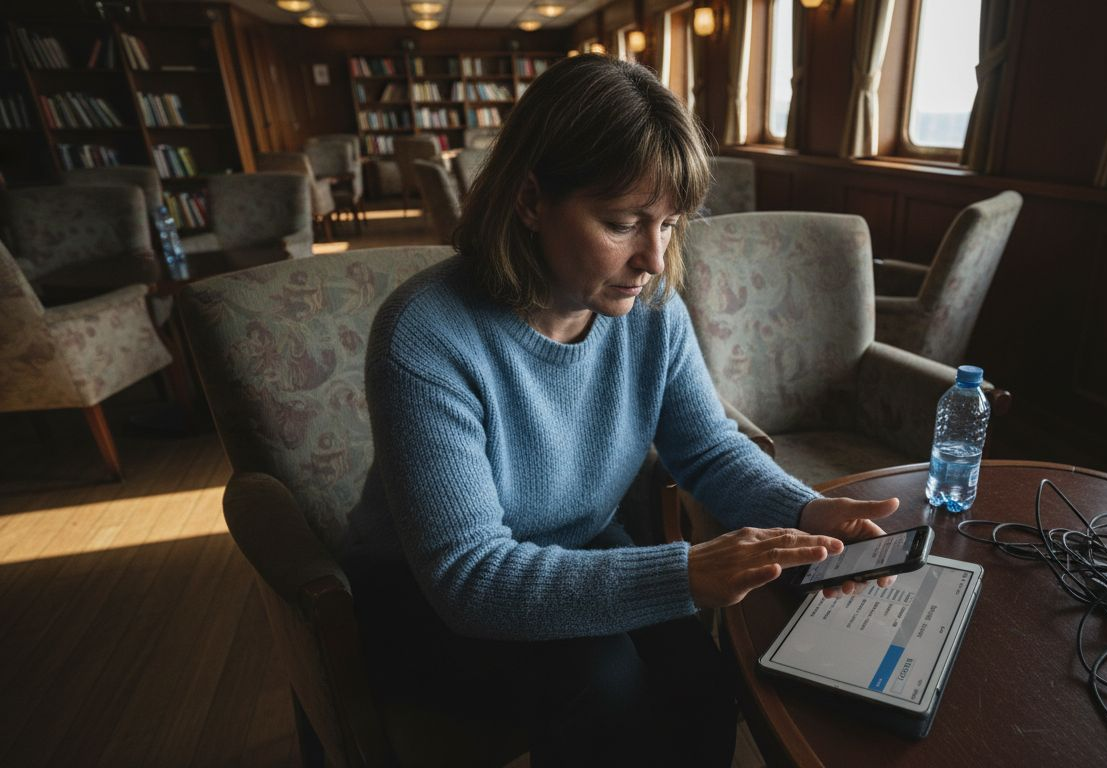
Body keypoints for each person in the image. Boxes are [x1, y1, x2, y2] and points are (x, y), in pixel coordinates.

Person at [343, 54, 901, 767]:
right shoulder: (425, 335)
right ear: (530, 200)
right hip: (425, 597)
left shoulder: (651, 309)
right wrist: (686, 574)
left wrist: (807, 509)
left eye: (669, 224)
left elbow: (707, 450)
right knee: (606, 689)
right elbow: (469, 576)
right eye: (623, 223)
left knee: (705, 683)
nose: (653, 258)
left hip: (578, 545)